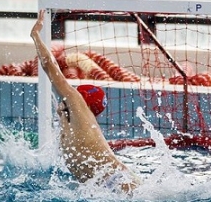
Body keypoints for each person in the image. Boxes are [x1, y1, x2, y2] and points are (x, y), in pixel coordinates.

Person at [30, 10, 139, 193]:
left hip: (122, 184)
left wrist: (35, 35)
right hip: (111, 186)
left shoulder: (76, 104)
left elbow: (50, 66)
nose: (65, 95)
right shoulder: (76, 123)